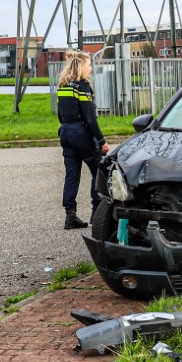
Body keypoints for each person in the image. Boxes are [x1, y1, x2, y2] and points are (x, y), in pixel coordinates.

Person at [56, 50, 109, 231]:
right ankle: (97, 212)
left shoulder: (63, 86)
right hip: (81, 134)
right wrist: (101, 141)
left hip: (66, 133)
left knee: (72, 176)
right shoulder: (83, 86)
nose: (91, 69)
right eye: (89, 65)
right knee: (99, 172)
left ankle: (70, 215)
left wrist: (67, 130)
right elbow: (90, 118)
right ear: (80, 67)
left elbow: (60, 116)